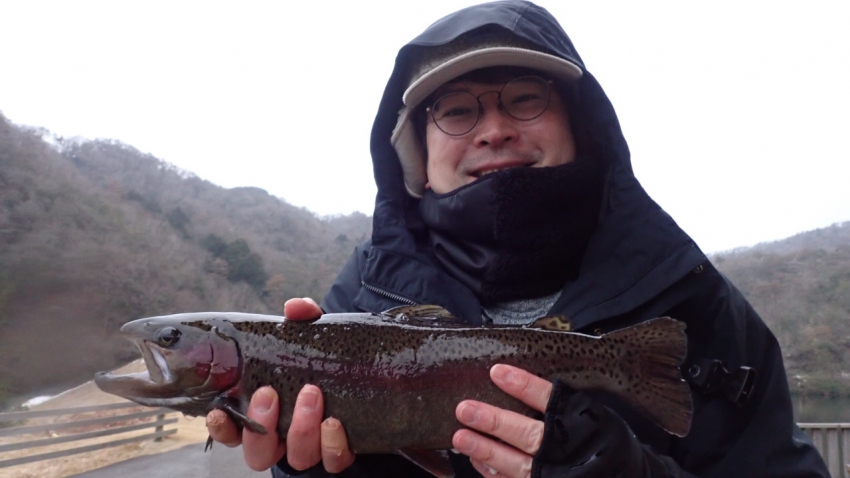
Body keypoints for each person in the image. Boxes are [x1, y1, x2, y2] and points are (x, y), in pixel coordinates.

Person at [207, 2, 830, 477]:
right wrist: (324, 469)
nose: (494, 130)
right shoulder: (353, 303)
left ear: (580, 124)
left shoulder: (692, 297)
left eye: (526, 98)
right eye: (456, 110)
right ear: (417, 153)